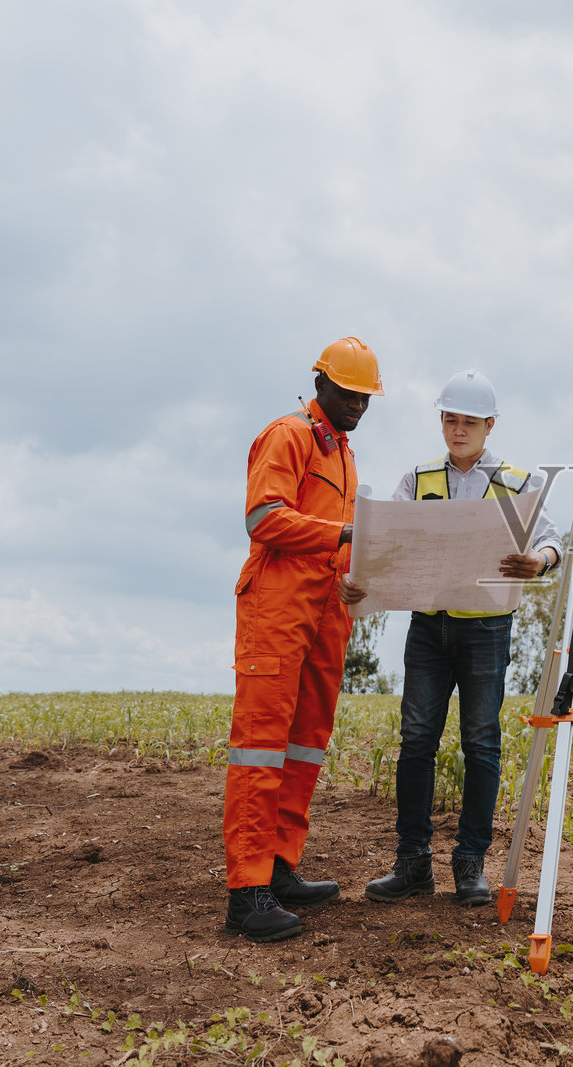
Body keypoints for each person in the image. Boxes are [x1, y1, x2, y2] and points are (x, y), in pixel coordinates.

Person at [346, 369, 561, 907]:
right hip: (428, 627)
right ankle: (412, 863)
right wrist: (359, 580)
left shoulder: (518, 482)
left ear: (490, 424)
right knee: (416, 742)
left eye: (468, 421)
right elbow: (382, 540)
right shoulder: (417, 479)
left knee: (480, 744)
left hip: (486, 629)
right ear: (441, 421)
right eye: (450, 419)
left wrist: (539, 560)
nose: (458, 429)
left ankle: (470, 865)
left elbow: (553, 538)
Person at [222, 337, 384, 943]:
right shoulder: (286, 435)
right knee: (261, 745)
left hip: (323, 611)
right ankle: (247, 893)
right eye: (349, 395)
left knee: (306, 743)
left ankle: (281, 868)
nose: (358, 407)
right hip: (276, 608)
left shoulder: (342, 454)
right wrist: (343, 534)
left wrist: (353, 578)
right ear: (320, 385)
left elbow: (341, 541)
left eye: (367, 399)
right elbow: (263, 518)